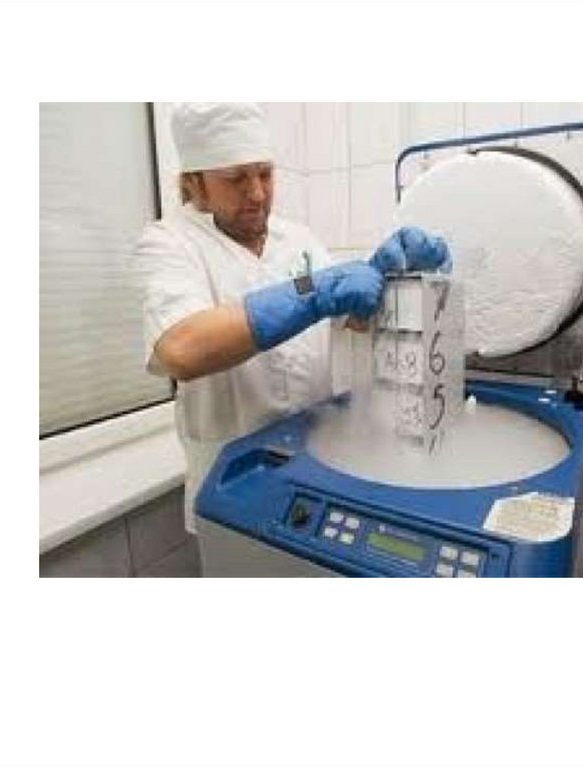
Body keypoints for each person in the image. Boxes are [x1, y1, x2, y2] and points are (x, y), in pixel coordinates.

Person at [132, 103, 448, 533]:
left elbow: (351, 321)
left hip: (314, 462)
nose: (257, 193)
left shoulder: (298, 240)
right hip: (231, 478)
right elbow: (182, 349)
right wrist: (313, 291)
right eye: (236, 179)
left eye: (265, 174)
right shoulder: (169, 243)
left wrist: (387, 277)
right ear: (195, 183)